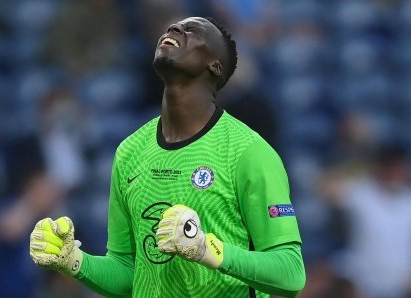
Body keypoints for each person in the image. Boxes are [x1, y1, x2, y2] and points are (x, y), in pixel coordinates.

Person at [29, 17, 306, 297]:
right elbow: (127, 273)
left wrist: (207, 250)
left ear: (214, 65)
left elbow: (290, 273)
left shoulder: (249, 152)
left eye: (192, 31)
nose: (174, 29)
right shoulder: (130, 151)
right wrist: (75, 262)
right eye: (174, 27)